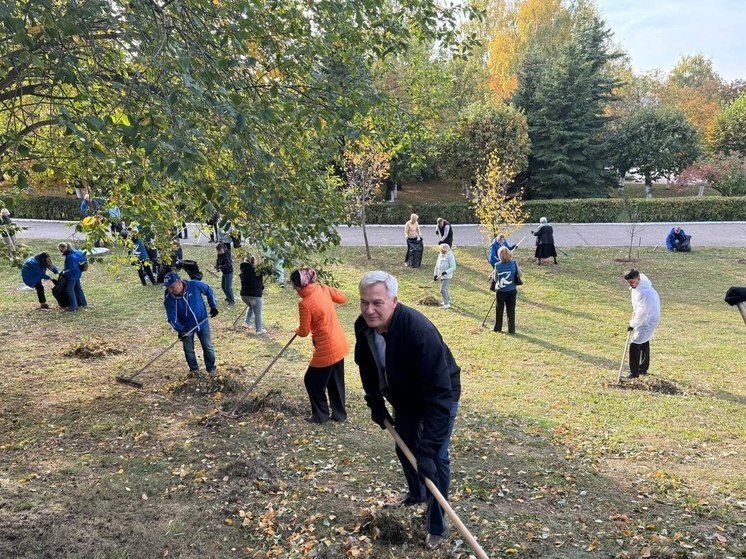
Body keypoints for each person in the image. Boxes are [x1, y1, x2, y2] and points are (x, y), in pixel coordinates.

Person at [354, 271, 461, 550]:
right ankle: (417, 495)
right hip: (403, 397)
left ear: (394, 301)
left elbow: (440, 395)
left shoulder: (418, 332)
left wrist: (427, 450)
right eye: (364, 302)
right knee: (404, 449)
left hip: (438, 395)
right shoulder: (363, 326)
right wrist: (374, 401)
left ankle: (436, 525)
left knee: (434, 460)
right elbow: (366, 364)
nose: (369, 310)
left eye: (377, 303)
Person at [290, 267, 349, 424]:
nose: (293, 288)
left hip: (326, 347)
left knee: (311, 381)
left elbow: (303, 331)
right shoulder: (321, 288)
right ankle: (339, 414)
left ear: (301, 285)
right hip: (339, 342)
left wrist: (296, 329)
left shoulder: (305, 303)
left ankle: (321, 416)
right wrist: (325, 287)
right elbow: (342, 298)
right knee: (335, 380)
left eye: (294, 285)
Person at [163, 271, 219, 374]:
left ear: (179, 282)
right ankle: (194, 371)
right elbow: (172, 318)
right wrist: (180, 330)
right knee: (189, 350)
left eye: (172, 286)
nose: (170, 289)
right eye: (168, 287)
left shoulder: (194, 285)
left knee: (208, 346)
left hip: (202, 322)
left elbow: (208, 289)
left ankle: (211, 369)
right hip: (186, 328)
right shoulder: (169, 300)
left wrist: (213, 306)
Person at [624, 269, 661, 378]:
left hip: (648, 319)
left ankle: (634, 373)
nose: (631, 285)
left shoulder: (645, 292)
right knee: (644, 341)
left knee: (635, 343)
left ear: (638, 279)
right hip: (645, 316)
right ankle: (643, 368)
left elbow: (641, 312)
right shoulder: (639, 283)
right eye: (629, 282)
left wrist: (632, 324)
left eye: (632, 282)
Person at [493, 246, 521, 334]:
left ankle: (498, 328)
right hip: (512, 290)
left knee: (499, 310)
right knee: (511, 310)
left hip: (501, 291)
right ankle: (511, 329)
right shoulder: (514, 263)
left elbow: (496, 279)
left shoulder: (497, 265)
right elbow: (520, 274)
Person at [57, 242, 88, 311]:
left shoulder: (69, 257)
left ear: (65, 248)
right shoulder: (77, 252)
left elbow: (72, 268)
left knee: (69, 290)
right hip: (78, 273)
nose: (61, 252)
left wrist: (64, 272)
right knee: (78, 288)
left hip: (72, 276)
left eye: (61, 250)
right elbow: (84, 257)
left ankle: (74, 306)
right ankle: (83, 303)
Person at [239, 255, 266, 334]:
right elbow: (260, 283)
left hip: (244, 296)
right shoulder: (257, 271)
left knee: (251, 306)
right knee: (258, 313)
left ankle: (246, 322)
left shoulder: (242, 271)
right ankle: (259, 330)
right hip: (254, 295)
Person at [433, 243, 456, 309]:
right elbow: (437, 265)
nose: (442, 251)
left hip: (447, 276)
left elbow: (453, 267)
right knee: (445, 289)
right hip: (440, 275)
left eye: (443, 251)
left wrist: (446, 272)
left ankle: (447, 304)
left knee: (442, 290)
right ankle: (447, 300)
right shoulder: (440, 255)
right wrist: (435, 275)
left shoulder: (450, 256)